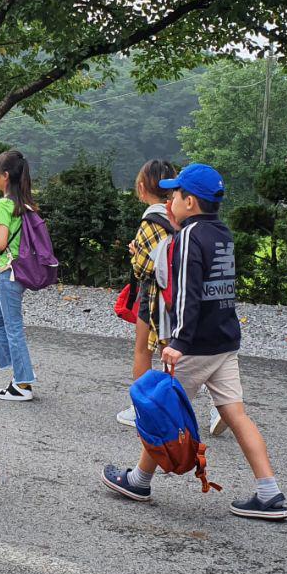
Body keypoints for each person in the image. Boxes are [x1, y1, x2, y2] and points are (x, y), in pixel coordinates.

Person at [102, 163, 287, 520]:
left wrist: (179, 341)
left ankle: (139, 480)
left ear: (189, 201)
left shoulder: (188, 239)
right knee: (236, 414)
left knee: (163, 410)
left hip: (195, 345)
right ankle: (270, 492)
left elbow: (188, 293)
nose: (169, 199)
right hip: (224, 340)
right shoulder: (222, 233)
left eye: (174, 194)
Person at [118, 159, 179, 429]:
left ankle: (141, 407)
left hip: (154, 297)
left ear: (142, 189)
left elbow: (144, 268)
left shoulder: (149, 221)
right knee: (176, 352)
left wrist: (135, 253)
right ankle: (179, 405)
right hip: (180, 297)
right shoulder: (181, 217)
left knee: (144, 350)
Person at [0, 148, 38, 402]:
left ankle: (23, 383)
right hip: (20, 272)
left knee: (12, 327)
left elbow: (0, 243)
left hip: (9, 272)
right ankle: (16, 374)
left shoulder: (3, 204)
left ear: (4, 176)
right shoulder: (24, 204)